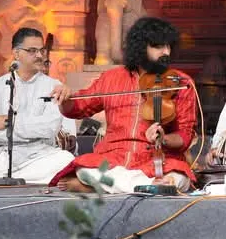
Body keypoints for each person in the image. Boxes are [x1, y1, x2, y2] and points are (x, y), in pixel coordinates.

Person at [49, 17, 198, 194]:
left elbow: (185, 135)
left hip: (158, 160)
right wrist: (65, 98)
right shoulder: (111, 78)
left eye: (168, 46)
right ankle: (148, 187)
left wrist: (163, 138)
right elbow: (78, 108)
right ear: (141, 47)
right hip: (114, 157)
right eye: (158, 46)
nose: (166, 52)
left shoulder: (181, 82)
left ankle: (97, 187)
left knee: (180, 177)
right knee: (85, 168)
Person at [0, 28, 76, 184]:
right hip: (1, 154)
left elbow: (50, 127)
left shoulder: (54, 86)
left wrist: (8, 122)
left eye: (41, 50)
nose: (39, 55)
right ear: (16, 54)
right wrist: (32, 127)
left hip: (38, 155)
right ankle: (18, 178)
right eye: (32, 51)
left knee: (65, 159)